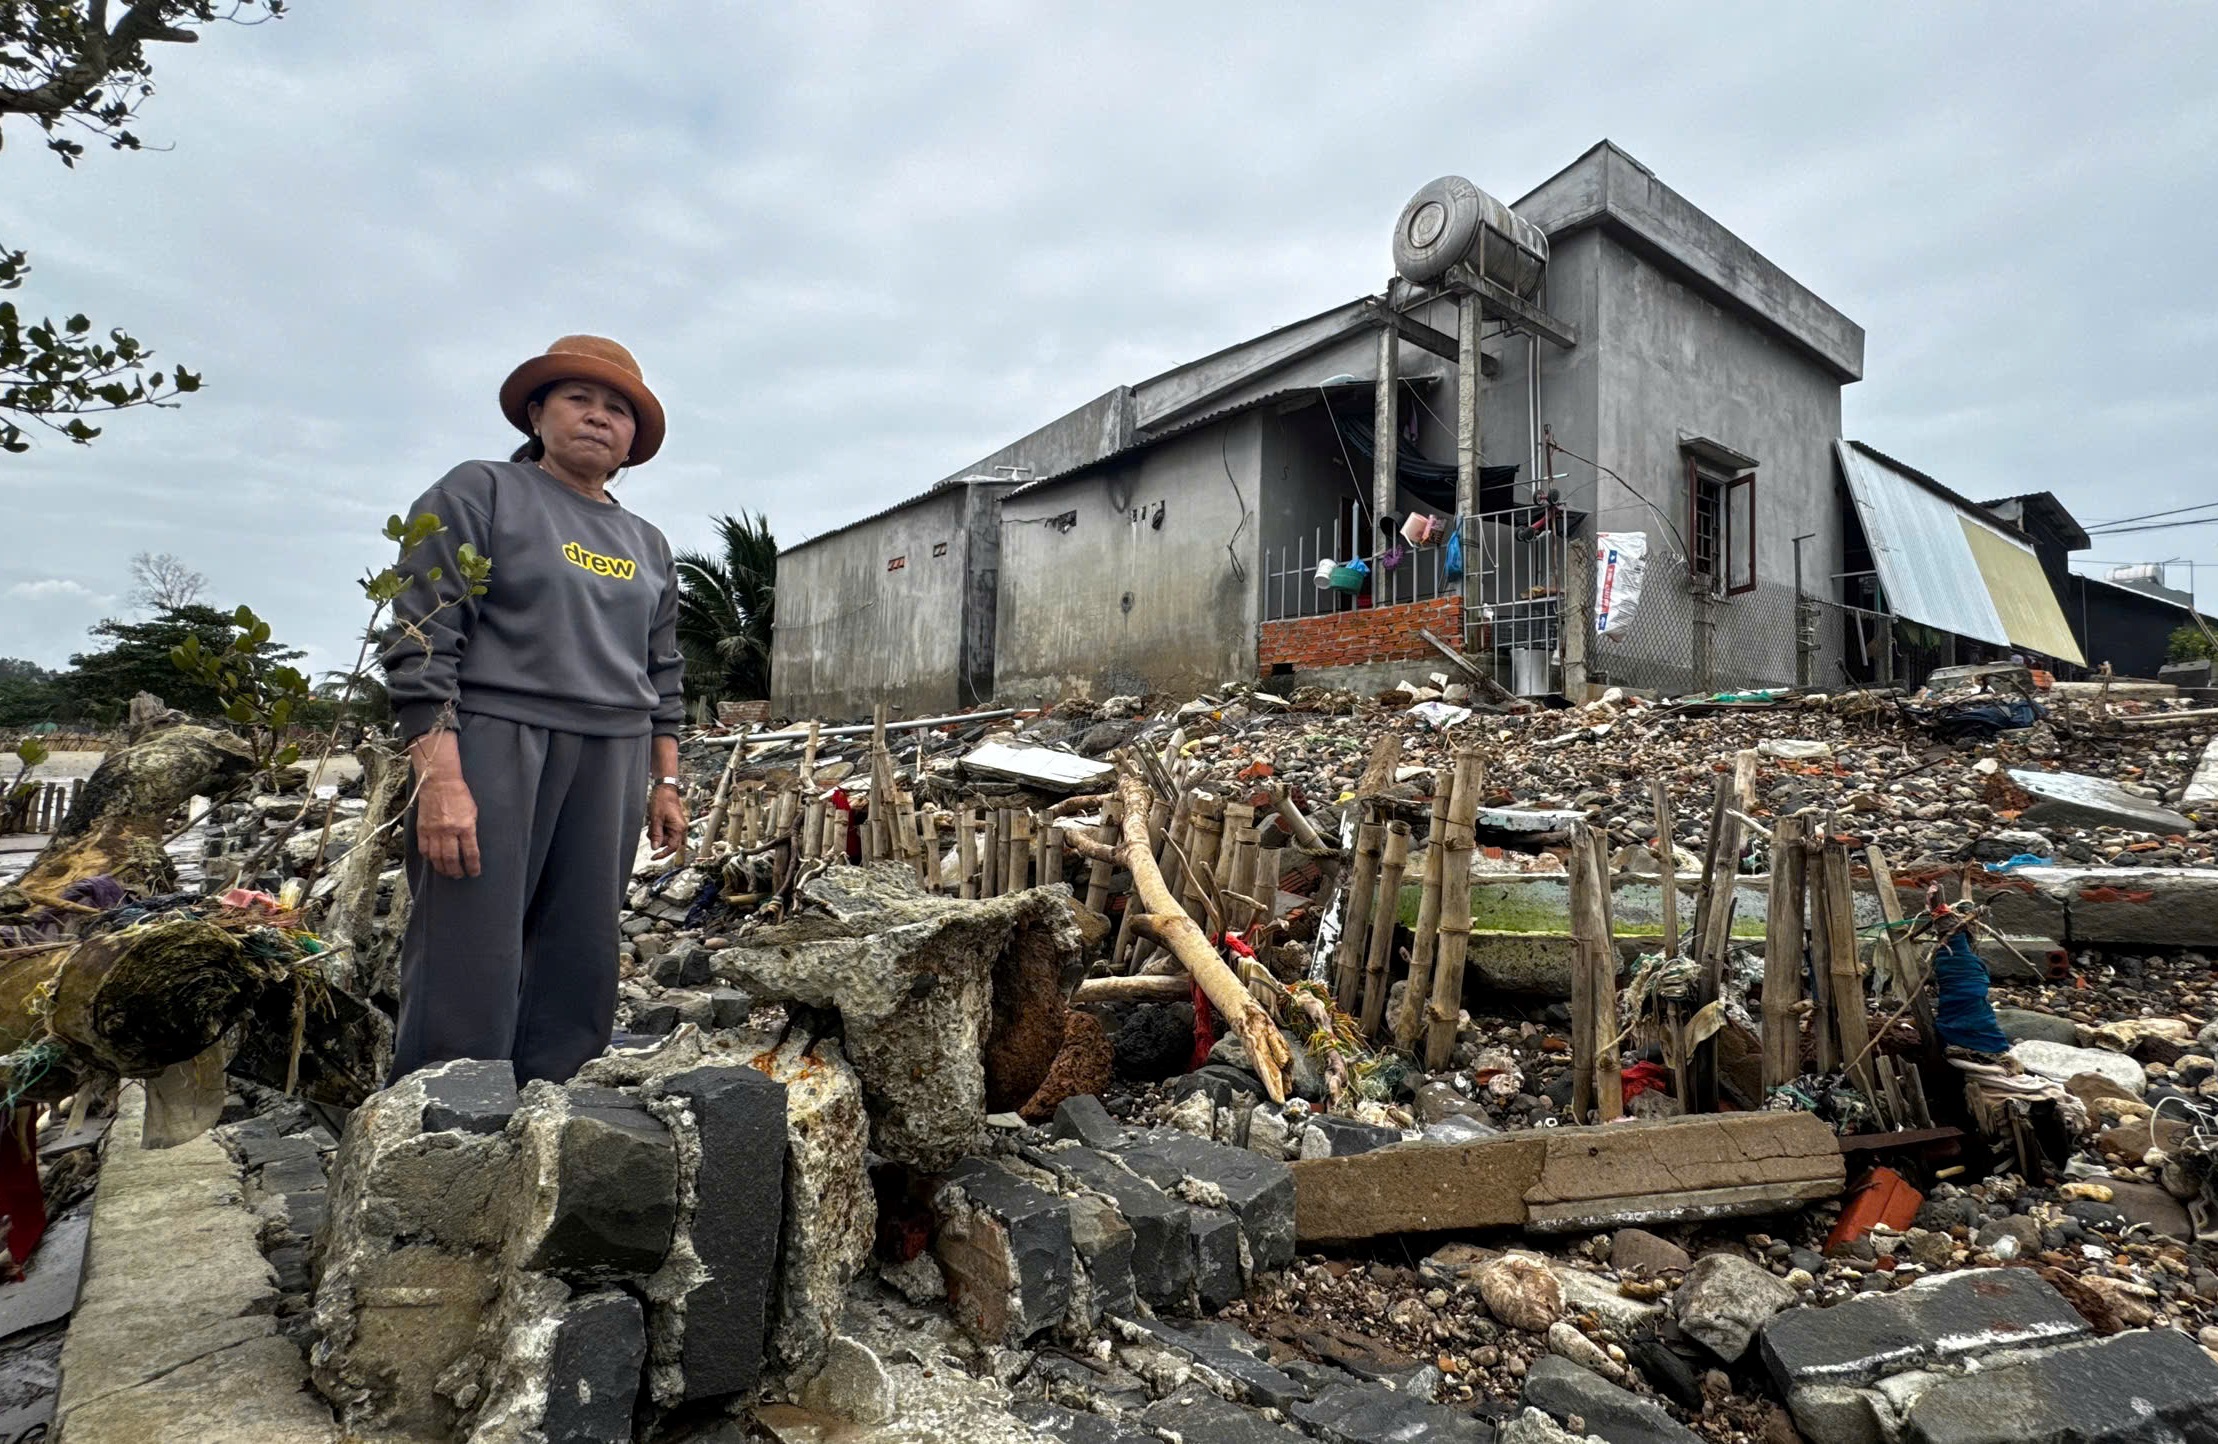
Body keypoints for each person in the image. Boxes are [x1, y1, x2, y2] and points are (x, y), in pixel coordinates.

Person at [378, 335, 688, 1086]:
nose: (597, 417)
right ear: (536, 412)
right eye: (578, 398)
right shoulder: (480, 492)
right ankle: (445, 1121)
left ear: (631, 443)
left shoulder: (647, 544)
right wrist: (441, 780)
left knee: (580, 951)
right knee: (469, 946)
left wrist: (666, 781)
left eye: (617, 409)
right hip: (494, 739)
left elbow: (663, 669)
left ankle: (555, 1111)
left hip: (611, 752)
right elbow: (424, 636)